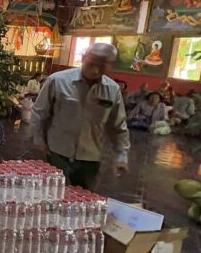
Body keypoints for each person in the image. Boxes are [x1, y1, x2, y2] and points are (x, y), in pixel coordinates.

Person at [33, 43, 129, 190]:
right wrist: (39, 140)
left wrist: (122, 155)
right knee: (52, 194)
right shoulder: (57, 81)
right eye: (91, 64)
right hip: (57, 152)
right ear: (84, 58)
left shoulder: (112, 90)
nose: (95, 70)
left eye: (102, 67)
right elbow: (39, 113)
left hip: (90, 158)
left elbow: (118, 126)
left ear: (110, 66)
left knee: (84, 198)